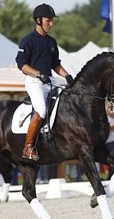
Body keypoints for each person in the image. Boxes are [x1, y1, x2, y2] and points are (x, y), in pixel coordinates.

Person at [15, 3, 73, 161]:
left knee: (68, 99)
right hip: (35, 82)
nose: (51, 24)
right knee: (40, 110)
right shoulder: (28, 40)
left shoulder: (51, 42)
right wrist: (38, 74)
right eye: (49, 20)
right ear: (39, 20)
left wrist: (67, 76)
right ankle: (28, 147)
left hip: (50, 80)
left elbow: (56, 65)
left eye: (52, 20)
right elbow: (22, 65)